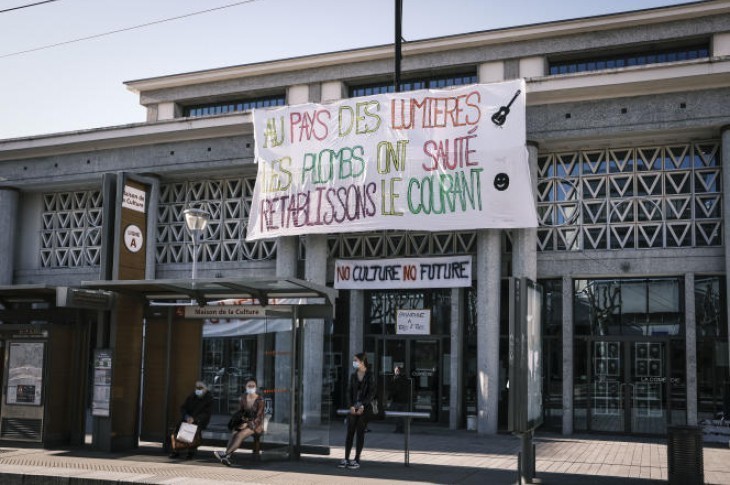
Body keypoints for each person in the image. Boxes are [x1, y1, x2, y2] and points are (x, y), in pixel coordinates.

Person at [214, 377, 265, 466]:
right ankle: (226, 456)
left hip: (255, 425)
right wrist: (242, 422)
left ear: (256, 387)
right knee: (234, 433)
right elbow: (240, 413)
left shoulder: (260, 400)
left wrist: (248, 424)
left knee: (240, 435)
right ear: (245, 387)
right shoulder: (243, 398)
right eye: (249, 386)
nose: (251, 387)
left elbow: (259, 417)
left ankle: (226, 454)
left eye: (253, 386)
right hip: (245, 423)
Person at [338, 352, 375, 470]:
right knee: (350, 432)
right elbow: (348, 391)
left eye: (356, 360)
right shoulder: (353, 375)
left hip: (365, 408)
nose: (354, 362)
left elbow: (372, 393)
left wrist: (363, 405)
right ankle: (346, 458)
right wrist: (350, 406)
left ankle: (357, 459)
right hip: (353, 407)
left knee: (360, 432)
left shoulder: (370, 375)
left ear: (362, 361)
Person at [169, 380, 213, 460]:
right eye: (197, 387)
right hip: (187, 418)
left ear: (205, 389)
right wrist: (186, 417)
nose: (198, 389)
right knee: (178, 428)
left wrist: (195, 419)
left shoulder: (208, 398)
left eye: (200, 388)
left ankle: (191, 452)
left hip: (200, 420)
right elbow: (183, 407)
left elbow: (206, 413)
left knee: (193, 428)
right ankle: (176, 450)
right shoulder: (192, 396)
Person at [387, 365, 410, 433]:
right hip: (404, 400)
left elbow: (395, 390)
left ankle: (399, 428)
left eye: (396, 370)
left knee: (397, 415)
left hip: (397, 400)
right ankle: (401, 428)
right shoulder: (406, 379)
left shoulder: (396, 379)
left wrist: (389, 397)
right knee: (402, 415)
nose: (395, 372)